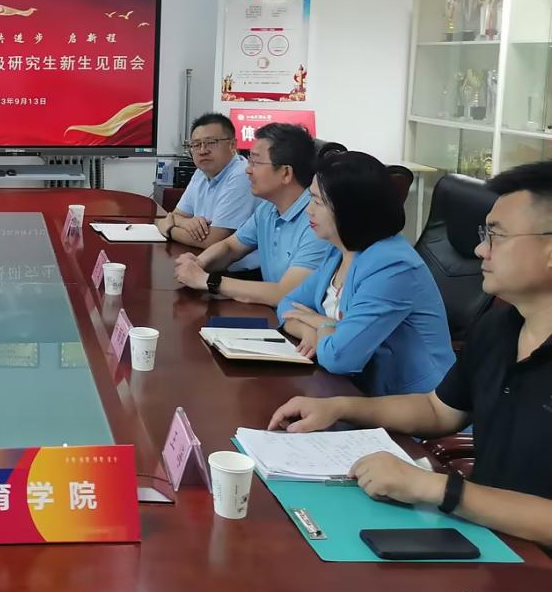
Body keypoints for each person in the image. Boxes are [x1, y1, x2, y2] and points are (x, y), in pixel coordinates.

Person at [267, 160, 552, 547]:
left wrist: (436, 488)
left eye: (497, 236)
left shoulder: (391, 263)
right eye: (484, 234)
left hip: (528, 559)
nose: (480, 249)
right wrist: (339, 407)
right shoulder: (499, 328)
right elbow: (438, 410)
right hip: (487, 538)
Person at [276, 151, 454, 395]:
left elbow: (339, 358)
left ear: (350, 209)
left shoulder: (392, 267)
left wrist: (322, 323)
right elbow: (287, 304)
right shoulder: (339, 249)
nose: (309, 210)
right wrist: (309, 330)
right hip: (351, 389)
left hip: (413, 404)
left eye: (318, 202)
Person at [174, 123, 329, 306]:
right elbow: (231, 247)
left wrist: (207, 281)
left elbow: (286, 293)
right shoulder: (268, 209)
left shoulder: (316, 221)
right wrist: (198, 263)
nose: (247, 169)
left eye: (255, 162)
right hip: (272, 312)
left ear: (286, 173)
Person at [156, 113, 257, 263]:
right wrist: (185, 222)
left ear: (232, 145)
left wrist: (168, 229)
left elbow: (213, 240)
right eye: (196, 144)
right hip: (203, 261)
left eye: (211, 143)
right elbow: (176, 214)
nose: (202, 150)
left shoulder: (242, 175)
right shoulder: (201, 173)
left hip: (237, 271)